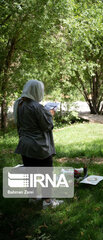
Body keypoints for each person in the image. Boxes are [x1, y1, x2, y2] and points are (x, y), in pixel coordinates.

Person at [13, 79, 63, 209]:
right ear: (36, 91)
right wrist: (50, 113)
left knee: (30, 171)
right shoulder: (37, 107)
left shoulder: (19, 103)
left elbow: (18, 123)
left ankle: (33, 198)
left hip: (24, 144)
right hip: (39, 146)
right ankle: (48, 201)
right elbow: (47, 126)